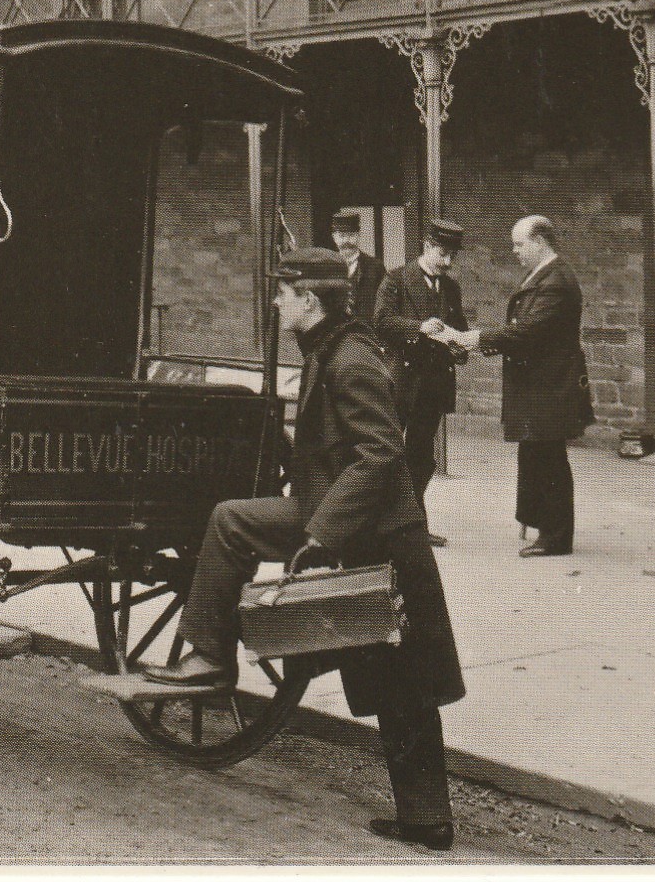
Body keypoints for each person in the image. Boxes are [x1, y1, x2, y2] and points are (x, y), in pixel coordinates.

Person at [142, 247, 465, 852]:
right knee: (399, 677)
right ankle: (427, 818)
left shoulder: (350, 358)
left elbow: (381, 454)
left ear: (310, 301)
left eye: (283, 293)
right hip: (362, 525)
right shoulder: (331, 348)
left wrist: (321, 535)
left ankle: (210, 657)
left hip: (379, 532)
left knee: (232, 522)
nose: (275, 302)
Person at [447, 215, 594, 557]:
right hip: (541, 383)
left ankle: (556, 537)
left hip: (549, 384)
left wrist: (477, 338)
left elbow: (529, 331)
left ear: (539, 242)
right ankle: (542, 524)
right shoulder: (545, 274)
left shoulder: (556, 281)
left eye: (519, 244)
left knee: (548, 457)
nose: (514, 250)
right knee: (536, 453)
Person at [374, 219, 469, 548]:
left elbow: (459, 329)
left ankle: (413, 527)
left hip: (433, 385)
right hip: (401, 382)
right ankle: (379, 524)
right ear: (427, 247)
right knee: (387, 453)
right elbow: (381, 321)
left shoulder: (451, 288)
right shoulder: (396, 279)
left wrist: (459, 347)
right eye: (442, 254)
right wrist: (418, 328)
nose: (447, 262)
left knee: (421, 458)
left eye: (452, 256)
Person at [331, 211, 385, 322]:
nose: (346, 241)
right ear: (334, 237)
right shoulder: (328, 267)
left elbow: (383, 304)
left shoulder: (375, 267)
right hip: (335, 329)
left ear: (358, 235)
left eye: (351, 235)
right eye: (342, 236)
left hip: (366, 329)